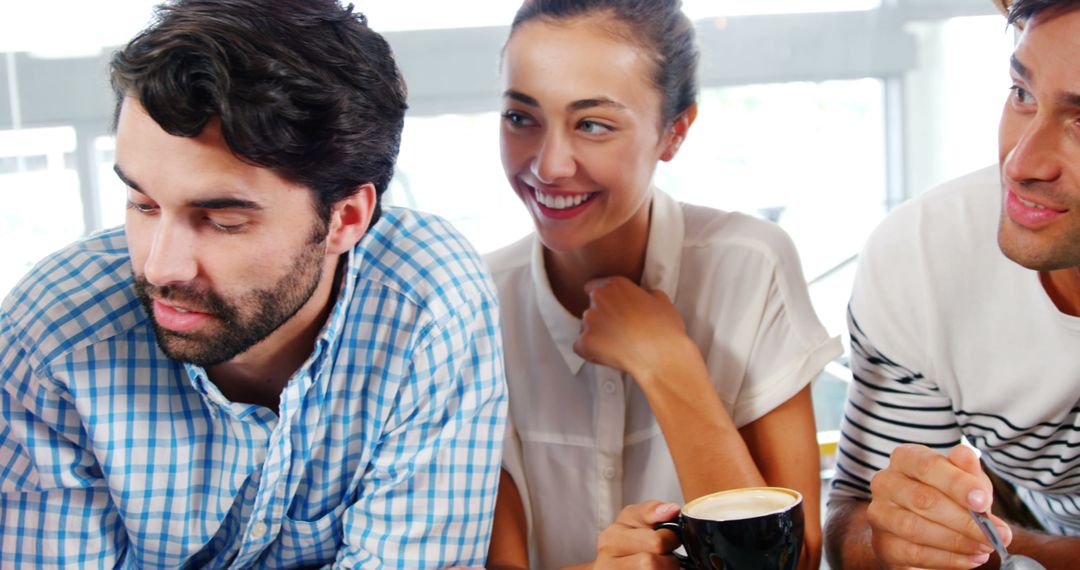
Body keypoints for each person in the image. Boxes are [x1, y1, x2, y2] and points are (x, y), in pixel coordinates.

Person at [0, 1, 507, 567]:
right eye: (142, 204)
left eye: (223, 221)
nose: (160, 267)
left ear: (345, 219)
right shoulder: (50, 339)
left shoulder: (426, 303)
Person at [482, 1, 842, 568]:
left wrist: (668, 365)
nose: (549, 166)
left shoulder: (750, 264)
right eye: (521, 118)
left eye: (593, 124)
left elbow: (793, 560)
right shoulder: (476, 305)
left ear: (674, 132)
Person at [824, 1, 1080, 568]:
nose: (1020, 163)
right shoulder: (923, 258)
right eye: (1022, 94)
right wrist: (901, 538)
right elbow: (857, 520)